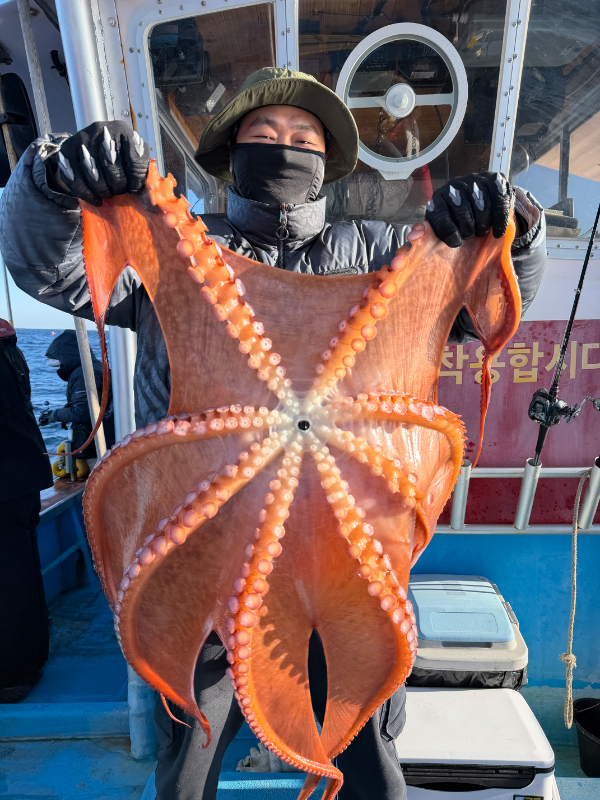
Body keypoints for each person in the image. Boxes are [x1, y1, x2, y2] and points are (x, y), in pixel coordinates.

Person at [0, 67, 546, 799]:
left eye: (303, 137)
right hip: (205, 548)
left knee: (368, 751)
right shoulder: (176, 251)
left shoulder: (382, 252)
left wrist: (513, 232)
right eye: (264, 132)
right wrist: (50, 181)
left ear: (329, 160)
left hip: (350, 554)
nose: (284, 145)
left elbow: (483, 306)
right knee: (189, 758)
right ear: (233, 152)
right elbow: (50, 267)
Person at [0, 318, 53, 702]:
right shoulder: (10, 348)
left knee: (10, 579)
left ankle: (12, 673)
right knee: (22, 572)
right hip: (22, 475)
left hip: (6, 481)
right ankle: (30, 659)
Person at [38, 330, 115, 467]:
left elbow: (82, 412)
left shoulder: (84, 373)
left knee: (101, 474)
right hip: (106, 438)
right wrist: (66, 412)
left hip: (98, 445)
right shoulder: (95, 367)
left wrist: (54, 415)